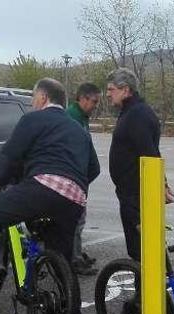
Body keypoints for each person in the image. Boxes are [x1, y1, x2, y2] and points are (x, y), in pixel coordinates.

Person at [0, 78, 99, 314]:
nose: (33, 102)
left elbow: (10, 156)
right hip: (74, 198)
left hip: (43, 187)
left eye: (34, 97)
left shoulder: (33, 120)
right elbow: (94, 169)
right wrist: (71, 185)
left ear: (43, 98)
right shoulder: (78, 129)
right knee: (63, 263)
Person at [106, 68, 173, 262]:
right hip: (130, 193)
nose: (108, 93)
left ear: (125, 90)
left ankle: (146, 291)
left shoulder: (137, 115)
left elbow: (150, 154)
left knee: (142, 250)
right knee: (140, 250)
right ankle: (144, 289)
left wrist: (161, 185)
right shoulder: (132, 111)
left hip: (137, 196)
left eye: (111, 89)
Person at [66, 82, 102, 276]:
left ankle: (77, 253)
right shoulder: (72, 117)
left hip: (81, 179)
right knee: (76, 221)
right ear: (83, 98)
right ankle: (74, 259)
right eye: (94, 101)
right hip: (74, 180)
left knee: (79, 220)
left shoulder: (82, 117)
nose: (95, 106)